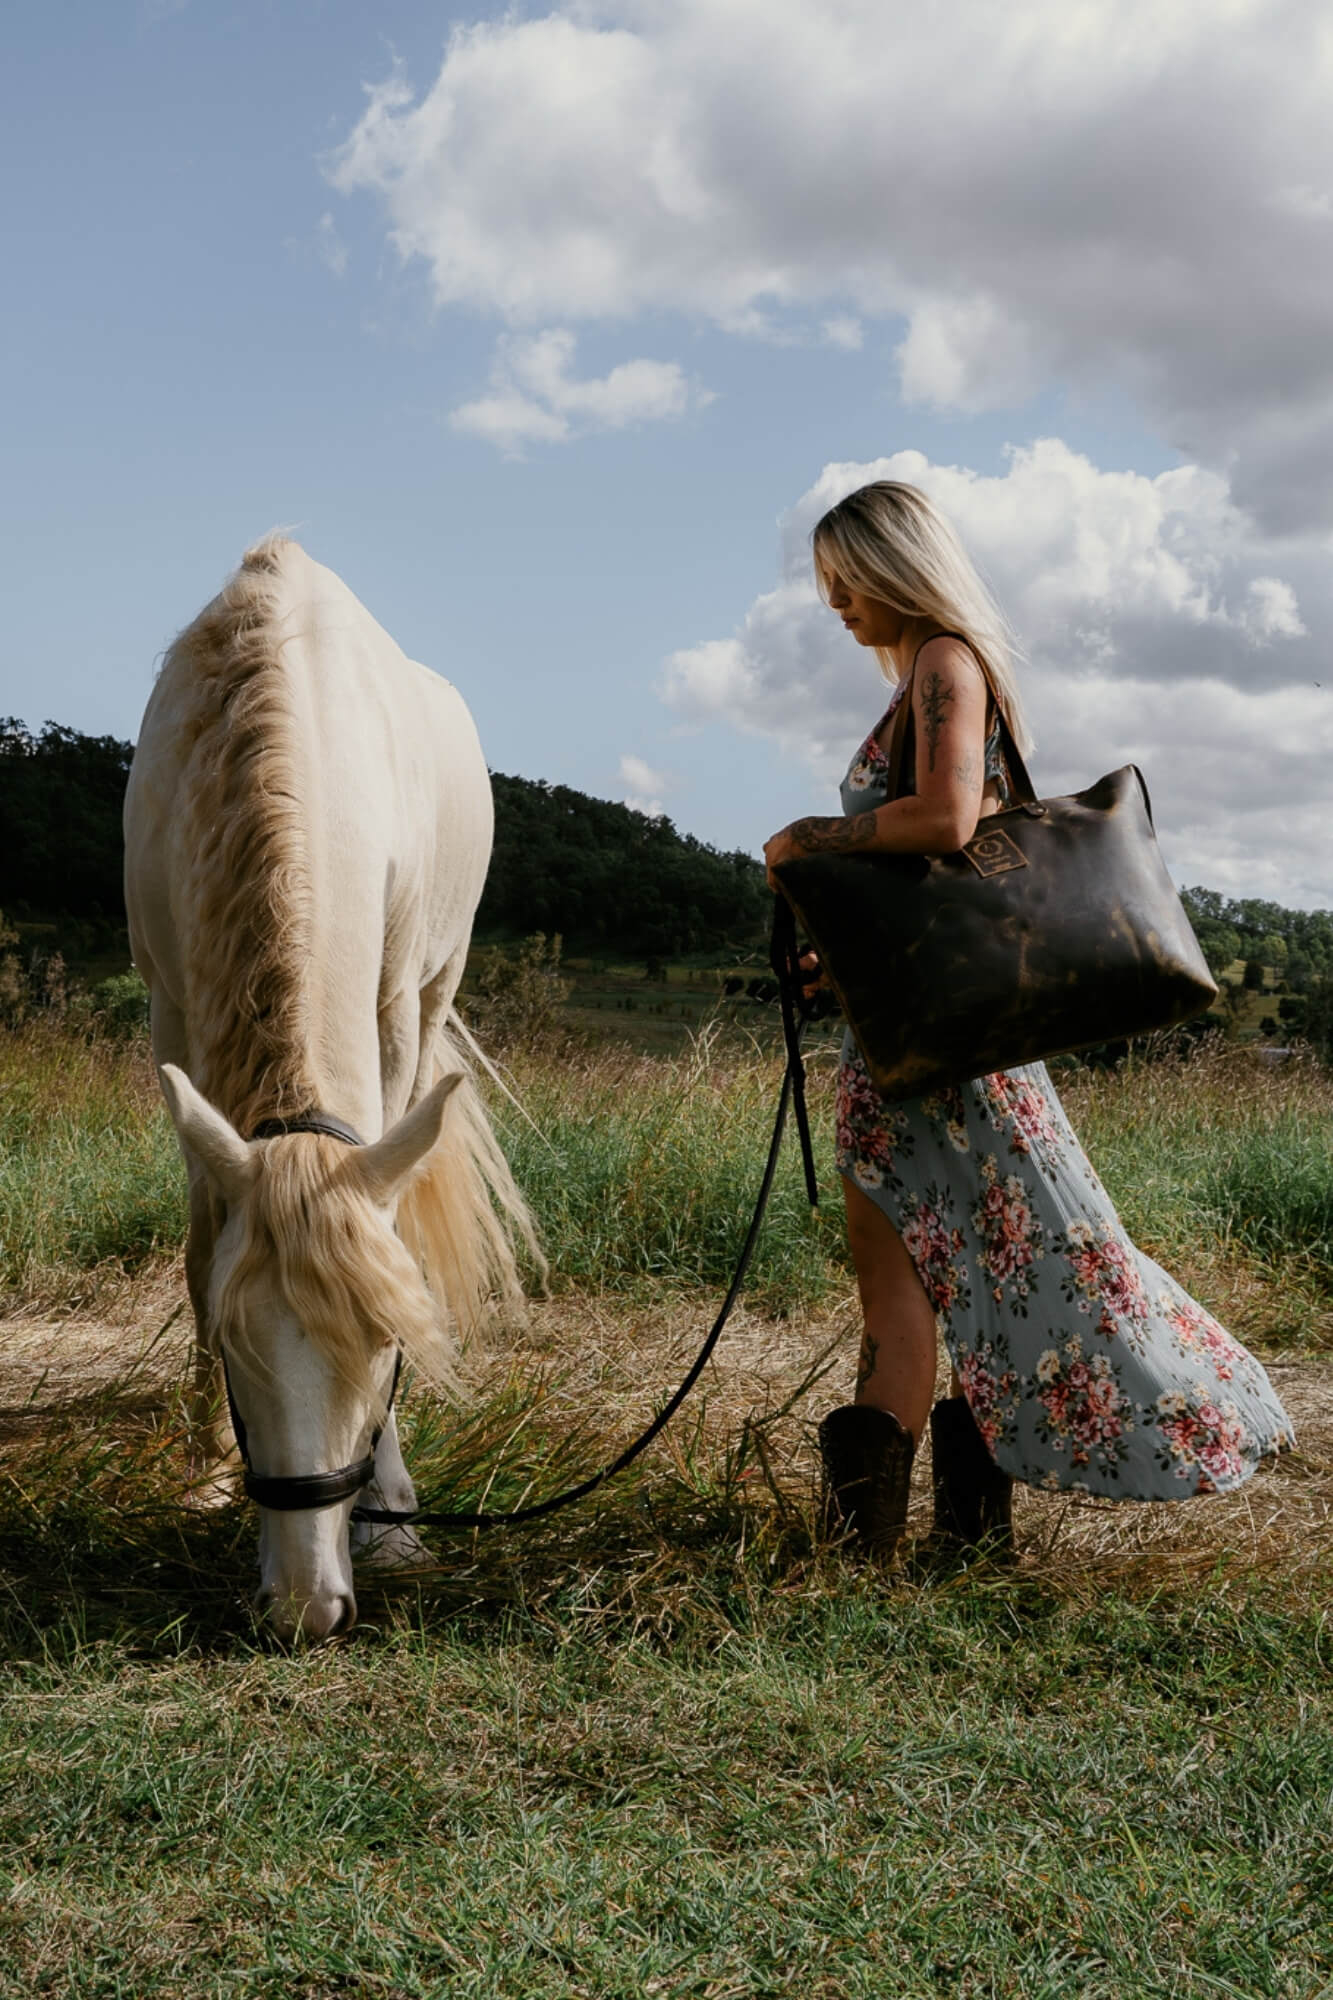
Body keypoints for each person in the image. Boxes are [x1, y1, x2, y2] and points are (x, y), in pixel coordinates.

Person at [763, 481, 1293, 1562]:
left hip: (945, 1055)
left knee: (910, 1275)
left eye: (841, 579)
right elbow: (936, 879)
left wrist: (805, 838)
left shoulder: (944, 662)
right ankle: (949, 1545)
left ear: (889, 564)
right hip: (932, 1040)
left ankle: (869, 1550)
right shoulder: (931, 672)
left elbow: (950, 820)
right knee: (951, 1274)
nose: (833, 605)